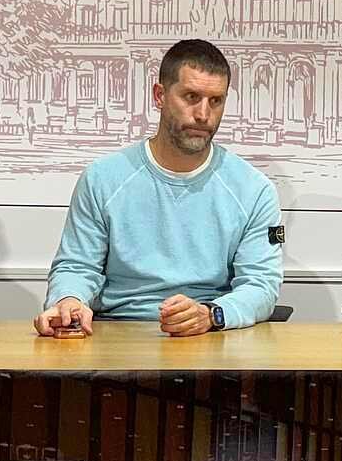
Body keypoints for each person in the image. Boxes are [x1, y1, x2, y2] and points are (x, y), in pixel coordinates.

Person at [35, 40, 283, 337]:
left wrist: (212, 314)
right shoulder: (103, 178)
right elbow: (76, 266)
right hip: (116, 331)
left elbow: (261, 286)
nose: (203, 114)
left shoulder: (254, 189)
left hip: (209, 333)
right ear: (160, 95)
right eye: (191, 97)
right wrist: (69, 301)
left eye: (215, 101)